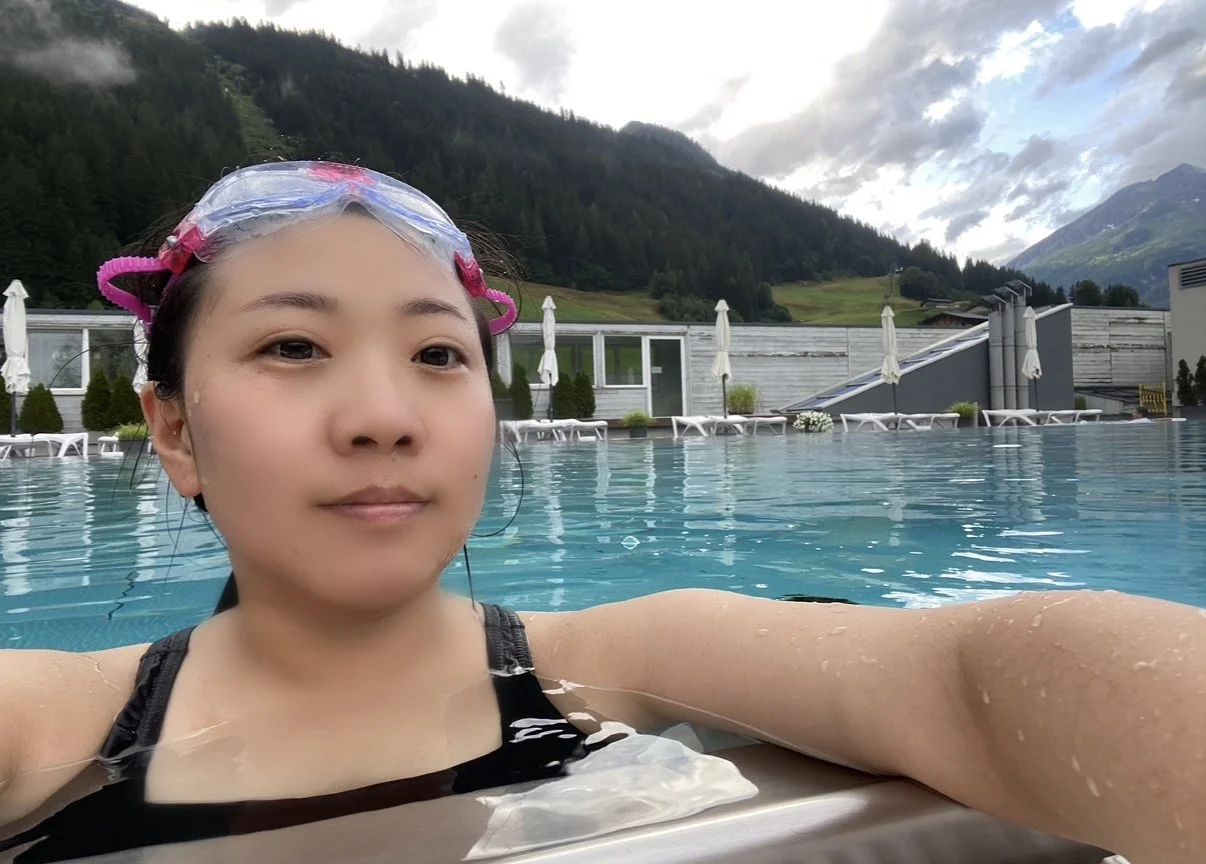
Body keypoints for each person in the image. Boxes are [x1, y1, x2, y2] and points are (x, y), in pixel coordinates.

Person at [0, 161, 1201, 864]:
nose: (383, 416)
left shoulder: (625, 661)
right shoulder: (50, 723)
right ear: (173, 431)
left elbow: (970, 679)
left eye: (437, 355)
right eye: (294, 346)